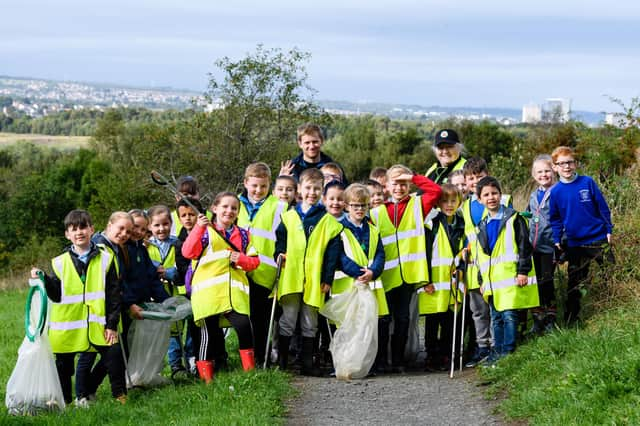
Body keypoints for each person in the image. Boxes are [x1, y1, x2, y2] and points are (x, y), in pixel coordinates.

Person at [30, 210, 127, 405]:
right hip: (68, 326)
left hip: (99, 323)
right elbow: (56, 294)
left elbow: (113, 295)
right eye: (73, 229)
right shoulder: (59, 262)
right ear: (67, 234)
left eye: (83, 227)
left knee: (114, 357)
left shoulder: (106, 258)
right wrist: (44, 278)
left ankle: (120, 396)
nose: (79, 232)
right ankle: (64, 400)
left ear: (92, 229)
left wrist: (111, 324)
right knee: (63, 366)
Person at [369, 164, 442, 373]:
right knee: (383, 320)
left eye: (403, 184)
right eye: (395, 183)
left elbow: (435, 191)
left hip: (409, 276)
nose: (399, 188)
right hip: (385, 275)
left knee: (402, 319)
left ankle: (399, 361)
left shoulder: (418, 205)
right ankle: (381, 361)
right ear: (386, 186)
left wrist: (412, 176)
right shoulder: (377, 212)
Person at [182, 192, 259, 382]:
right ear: (214, 209)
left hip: (234, 295)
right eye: (225, 206)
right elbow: (188, 252)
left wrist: (240, 259)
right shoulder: (204, 230)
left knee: (244, 327)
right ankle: (207, 380)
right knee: (207, 335)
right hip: (208, 295)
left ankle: (250, 374)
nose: (229, 211)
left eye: (234, 208)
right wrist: (199, 228)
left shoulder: (243, 234)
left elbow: (255, 261)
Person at [274, 168, 343, 376]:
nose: (312, 192)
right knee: (287, 318)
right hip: (291, 277)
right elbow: (280, 243)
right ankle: (284, 362)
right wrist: (279, 254)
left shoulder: (328, 221)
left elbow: (332, 254)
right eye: (308, 188)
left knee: (309, 321)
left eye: (316, 189)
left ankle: (307, 364)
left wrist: (327, 278)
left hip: (314, 279)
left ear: (322, 192)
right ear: (300, 190)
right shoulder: (288, 217)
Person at [475, 176, 539, 363]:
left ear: (500, 195)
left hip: (511, 278)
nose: (491, 197)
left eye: (494, 193)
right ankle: (498, 351)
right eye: (486, 195)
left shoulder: (513, 218)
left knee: (509, 315)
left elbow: (524, 247)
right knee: (496, 318)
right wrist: (481, 281)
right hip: (493, 283)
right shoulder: (482, 225)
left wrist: (523, 271)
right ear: (479, 199)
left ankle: (508, 351)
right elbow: (481, 257)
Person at [548, 146, 614, 324]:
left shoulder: (587, 182)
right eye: (561, 164)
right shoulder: (555, 192)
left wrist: (609, 230)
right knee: (575, 283)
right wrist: (556, 239)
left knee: (611, 273)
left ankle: (615, 307)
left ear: (575, 163)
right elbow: (555, 219)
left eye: (569, 162)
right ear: (555, 167)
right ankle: (571, 320)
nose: (566, 167)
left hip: (598, 238)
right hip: (575, 243)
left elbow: (602, 207)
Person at [75, 211, 132, 405]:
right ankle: (82, 395)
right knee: (88, 354)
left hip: (109, 310)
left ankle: (92, 389)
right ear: (109, 226)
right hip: (93, 311)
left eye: (128, 231)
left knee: (113, 353)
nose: (124, 233)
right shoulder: (98, 246)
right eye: (121, 228)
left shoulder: (116, 248)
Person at [460, 157, 511, 367]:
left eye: (479, 177)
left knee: (496, 308)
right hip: (474, 267)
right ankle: (482, 347)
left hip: (496, 266)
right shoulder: (464, 206)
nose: (475, 182)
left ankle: (497, 346)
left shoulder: (503, 200)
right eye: (471, 178)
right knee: (478, 311)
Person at [237, 162, 289, 367]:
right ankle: (244, 359)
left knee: (261, 320)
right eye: (254, 186)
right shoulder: (235, 204)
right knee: (242, 319)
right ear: (246, 183)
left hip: (264, 273)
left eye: (263, 186)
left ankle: (259, 358)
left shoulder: (280, 206)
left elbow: (283, 238)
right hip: (239, 271)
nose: (258, 190)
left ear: (270, 185)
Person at [334, 183, 387, 372]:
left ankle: (370, 364)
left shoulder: (373, 230)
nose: (359, 209)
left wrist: (373, 271)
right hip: (350, 286)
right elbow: (339, 257)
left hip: (372, 285)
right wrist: (358, 272)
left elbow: (380, 254)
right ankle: (347, 363)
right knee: (351, 325)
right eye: (355, 206)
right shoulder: (339, 229)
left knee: (372, 325)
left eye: (363, 206)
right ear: (347, 206)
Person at [419, 184, 466, 372]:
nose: (449, 204)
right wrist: (426, 280)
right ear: (438, 203)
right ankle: (431, 355)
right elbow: (424, 254)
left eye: (453, 201)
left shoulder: (463, 223)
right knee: (433, 320)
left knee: (450, 320)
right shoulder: (432, 224)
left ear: (459, 202)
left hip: (455, 281)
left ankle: (448, 353)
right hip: (435, 282)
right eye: (445, 201)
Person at [146, 204, 189, 375]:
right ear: (149, 226)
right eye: (156, 225)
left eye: (165, 224)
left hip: (177, 292)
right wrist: (156, 270)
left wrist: (168, 272)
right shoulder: (146, 247)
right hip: (156, 295)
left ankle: (183, 362)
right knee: (166, 332)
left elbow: (182, 268)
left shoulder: (177, 244)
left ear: (171, 224)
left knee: (180, 328)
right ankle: (166, 365)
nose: (161, 228)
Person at [526, 155, 558, 333]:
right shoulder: (533, 194)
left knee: (547, 282)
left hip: (550, 246)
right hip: (534, 247)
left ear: (553, 170)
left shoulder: (557, 192)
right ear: (533, 174)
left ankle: (551, 317)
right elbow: (530, 214)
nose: (544, 174)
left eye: (547, 170)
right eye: (539, 171)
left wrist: (561, 244)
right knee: (534, 283)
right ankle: (537, 318)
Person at [173, 197, 203, 376]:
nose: (188, 218)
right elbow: (183, 266)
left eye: (192, 214)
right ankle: (193, 361)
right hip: (190, 290)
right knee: (193, 327)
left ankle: (212, 358)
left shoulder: (208, 232)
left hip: (208, 287)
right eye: (183, 215)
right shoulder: (179, 241)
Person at [280, 123, 347, 183]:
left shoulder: (333, 168)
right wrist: (280, 180)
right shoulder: (291, 168)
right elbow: (274, 196)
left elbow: (346, 194)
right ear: (300, 144)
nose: (311, 146)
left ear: (322, 141)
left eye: (315, 142)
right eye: (307, 143)